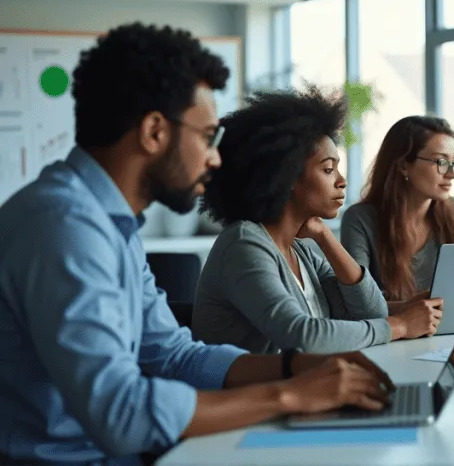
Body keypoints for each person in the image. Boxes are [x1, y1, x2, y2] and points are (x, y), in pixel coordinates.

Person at [0, 23, 392, 465]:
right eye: (207, 137)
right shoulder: (62, 227)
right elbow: (122, 415)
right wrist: (288, 395)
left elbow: (172, 355)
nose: (215, 158)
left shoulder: (110, 225)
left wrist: (291, 368)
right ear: (154, 132)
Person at [192, 88, 442, 355]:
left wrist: (324, 236)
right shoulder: (243, 244)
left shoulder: (300, 252)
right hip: (252, 395)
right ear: (285, 177)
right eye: (327, 169)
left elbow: (369, 311)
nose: (341, 181)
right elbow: (304, 336)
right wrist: (401, 326)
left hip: (300, 389)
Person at [341, 115, 454, 305]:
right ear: (403, 165)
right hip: (395, 334)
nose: (451, 174)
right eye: (440, 162)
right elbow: (358, 303)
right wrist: (413, 311)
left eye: (453, 163)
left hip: (453, 330)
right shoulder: (360, 219)